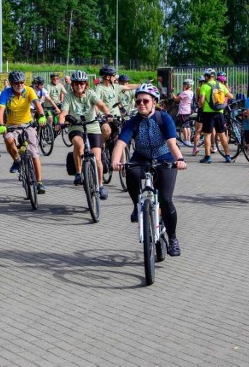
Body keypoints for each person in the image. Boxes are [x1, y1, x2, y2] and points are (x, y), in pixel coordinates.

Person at [111, 83, 187, 257]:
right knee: (130, 171)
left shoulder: (163, 118)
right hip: (141, 158)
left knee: (166, 200)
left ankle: (173, 238)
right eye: (138, 102)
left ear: (154, 102)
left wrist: (180, 159)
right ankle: (137, 205)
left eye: (145, 100)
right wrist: (115, 162)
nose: (141, 104)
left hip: (165, 158)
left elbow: (171, 143)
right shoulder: (133, 121)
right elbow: (121, 143)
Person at [57, 70, 111, 199]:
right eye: (76, 83)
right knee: (78, 143)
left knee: (97, 159)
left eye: (82, 83)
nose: (79, 85)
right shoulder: (69, 96)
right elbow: (63, 112)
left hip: (92, 126)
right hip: (75, 126)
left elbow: (101, 105)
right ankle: (78, 172)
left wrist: (107, 114)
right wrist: (61, 122)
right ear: (73, 84)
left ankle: (100, 185)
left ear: (86, 84)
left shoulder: (91, 94)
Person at [0, 70, 47, 194]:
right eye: (16, 83)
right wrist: (1, 125)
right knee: (8, 140)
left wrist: (41, 116)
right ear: (11, 83)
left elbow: (37, 104)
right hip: (11, 125)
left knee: (34, 152)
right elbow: (0, 111)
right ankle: (17, 160)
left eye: (22, 82)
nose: (20, 85)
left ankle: (39, 182)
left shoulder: (29, 90)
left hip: (27, 124)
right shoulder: (6, 93)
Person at [198, 68, 233, 163]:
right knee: (222, 135)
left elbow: (201, 101)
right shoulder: (221, 85)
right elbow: (231, 96)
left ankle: (207, 157)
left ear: (206, 76)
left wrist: (201, 105)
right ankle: (228, 156)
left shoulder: (204, 86)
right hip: (219, 113)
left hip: (208, 114)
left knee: (207, 135)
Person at [95, 66, 123, 141]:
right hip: (104, 117)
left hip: (114, 117)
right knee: (107, 131)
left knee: (119, 136)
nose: (115, 78)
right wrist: (98, 115)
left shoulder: (113, 86)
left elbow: (128, 86)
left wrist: (142, 85)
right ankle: (102, 144)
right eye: (113, 76)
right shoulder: (99, 88)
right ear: (108, 77)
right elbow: (96, 103)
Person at [172, 78, 195, 144]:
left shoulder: (184, 93)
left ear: (187, 85)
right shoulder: (191, 92)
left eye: (184, 84)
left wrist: (172, 94)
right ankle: (188, 140)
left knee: (184, 126)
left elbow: (176, 99)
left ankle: (185, 140)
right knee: (188, 126)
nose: (183, 86)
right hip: (188, 110)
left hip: (183, 111)